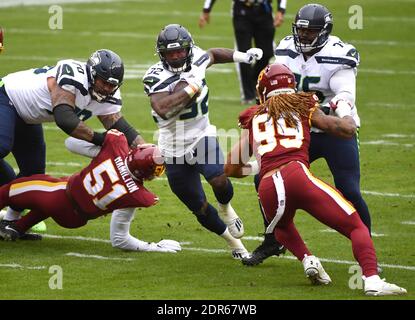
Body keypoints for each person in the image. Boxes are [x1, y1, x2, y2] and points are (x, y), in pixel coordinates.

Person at [224, 63, 406, 296]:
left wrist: (261, 165)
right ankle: (372, 279)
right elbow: (343, 129)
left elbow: (230, 167)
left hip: (268, 184)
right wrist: (345, 111)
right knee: (355, 224)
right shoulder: (304, 103)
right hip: (296, 174)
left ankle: (308, 259)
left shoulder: (254, 117)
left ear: (263, 89)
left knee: (282, 228)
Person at [244, 3, 373, 265]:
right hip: (299, 130)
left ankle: (366, 243)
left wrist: (341, 110)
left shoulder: (339, 54)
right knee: (262, 179)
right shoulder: (286, 49)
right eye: (301, 31)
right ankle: (273, 241)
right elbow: (274, 83)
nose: (303, 37)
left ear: (324, 32)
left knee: (348, 188)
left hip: (333, 127)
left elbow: (344, 95)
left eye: (310, 32)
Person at [142, 24, 263, 259]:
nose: (176, 57)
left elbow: (214, 54)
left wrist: (244, 56)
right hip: (172, 148)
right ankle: (232, 242)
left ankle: (226, 207)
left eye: (180, 51)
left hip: (201, 136)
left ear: (188, 49)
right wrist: (192, 87)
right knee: (198, 207)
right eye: (170, 53)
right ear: (161, 54)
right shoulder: (154, 76)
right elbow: (163, 108)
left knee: (219, 179)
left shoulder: (196, 57)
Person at [0, 49, 144, 238]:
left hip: (29, 118)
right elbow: (65, 119)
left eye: (112, 85)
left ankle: (9, 223)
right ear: (92, 75)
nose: (108, 89)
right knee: (2, 146)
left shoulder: (108, 94)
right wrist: (103, 140)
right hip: (7, 96)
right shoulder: (73, 75)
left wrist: (145, 150)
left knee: (32, 176)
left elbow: (119, 125)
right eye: (104, 82)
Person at [0, 129, 181, 253]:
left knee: (7, 191)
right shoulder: (137, 195)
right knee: (46, 201)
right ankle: (16, 229)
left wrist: (101, 147)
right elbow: (119, 240)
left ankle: (14, 224)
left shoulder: (116, 146)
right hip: (75, 219)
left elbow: (70, 142)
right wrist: (153, 247)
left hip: (59, 194)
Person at [199, 0, 287, 104]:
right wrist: (206, 10)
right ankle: (248, 95)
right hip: (242, 10)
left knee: (267, 53)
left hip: (264, 9)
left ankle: (255, 80)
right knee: (244, 55)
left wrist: (281, 11)